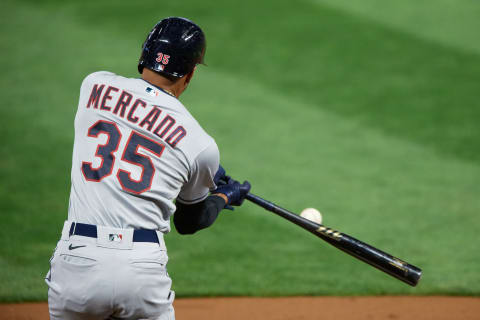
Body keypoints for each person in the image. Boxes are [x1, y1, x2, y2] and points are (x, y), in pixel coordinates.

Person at [45, 16, 251, 320]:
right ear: (190, 74)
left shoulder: (94, 85)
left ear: (144, 56)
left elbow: (134, 129)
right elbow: (188, 222)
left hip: (78, 259)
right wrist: (224, 196)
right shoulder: (200, 145)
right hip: (141, 269)